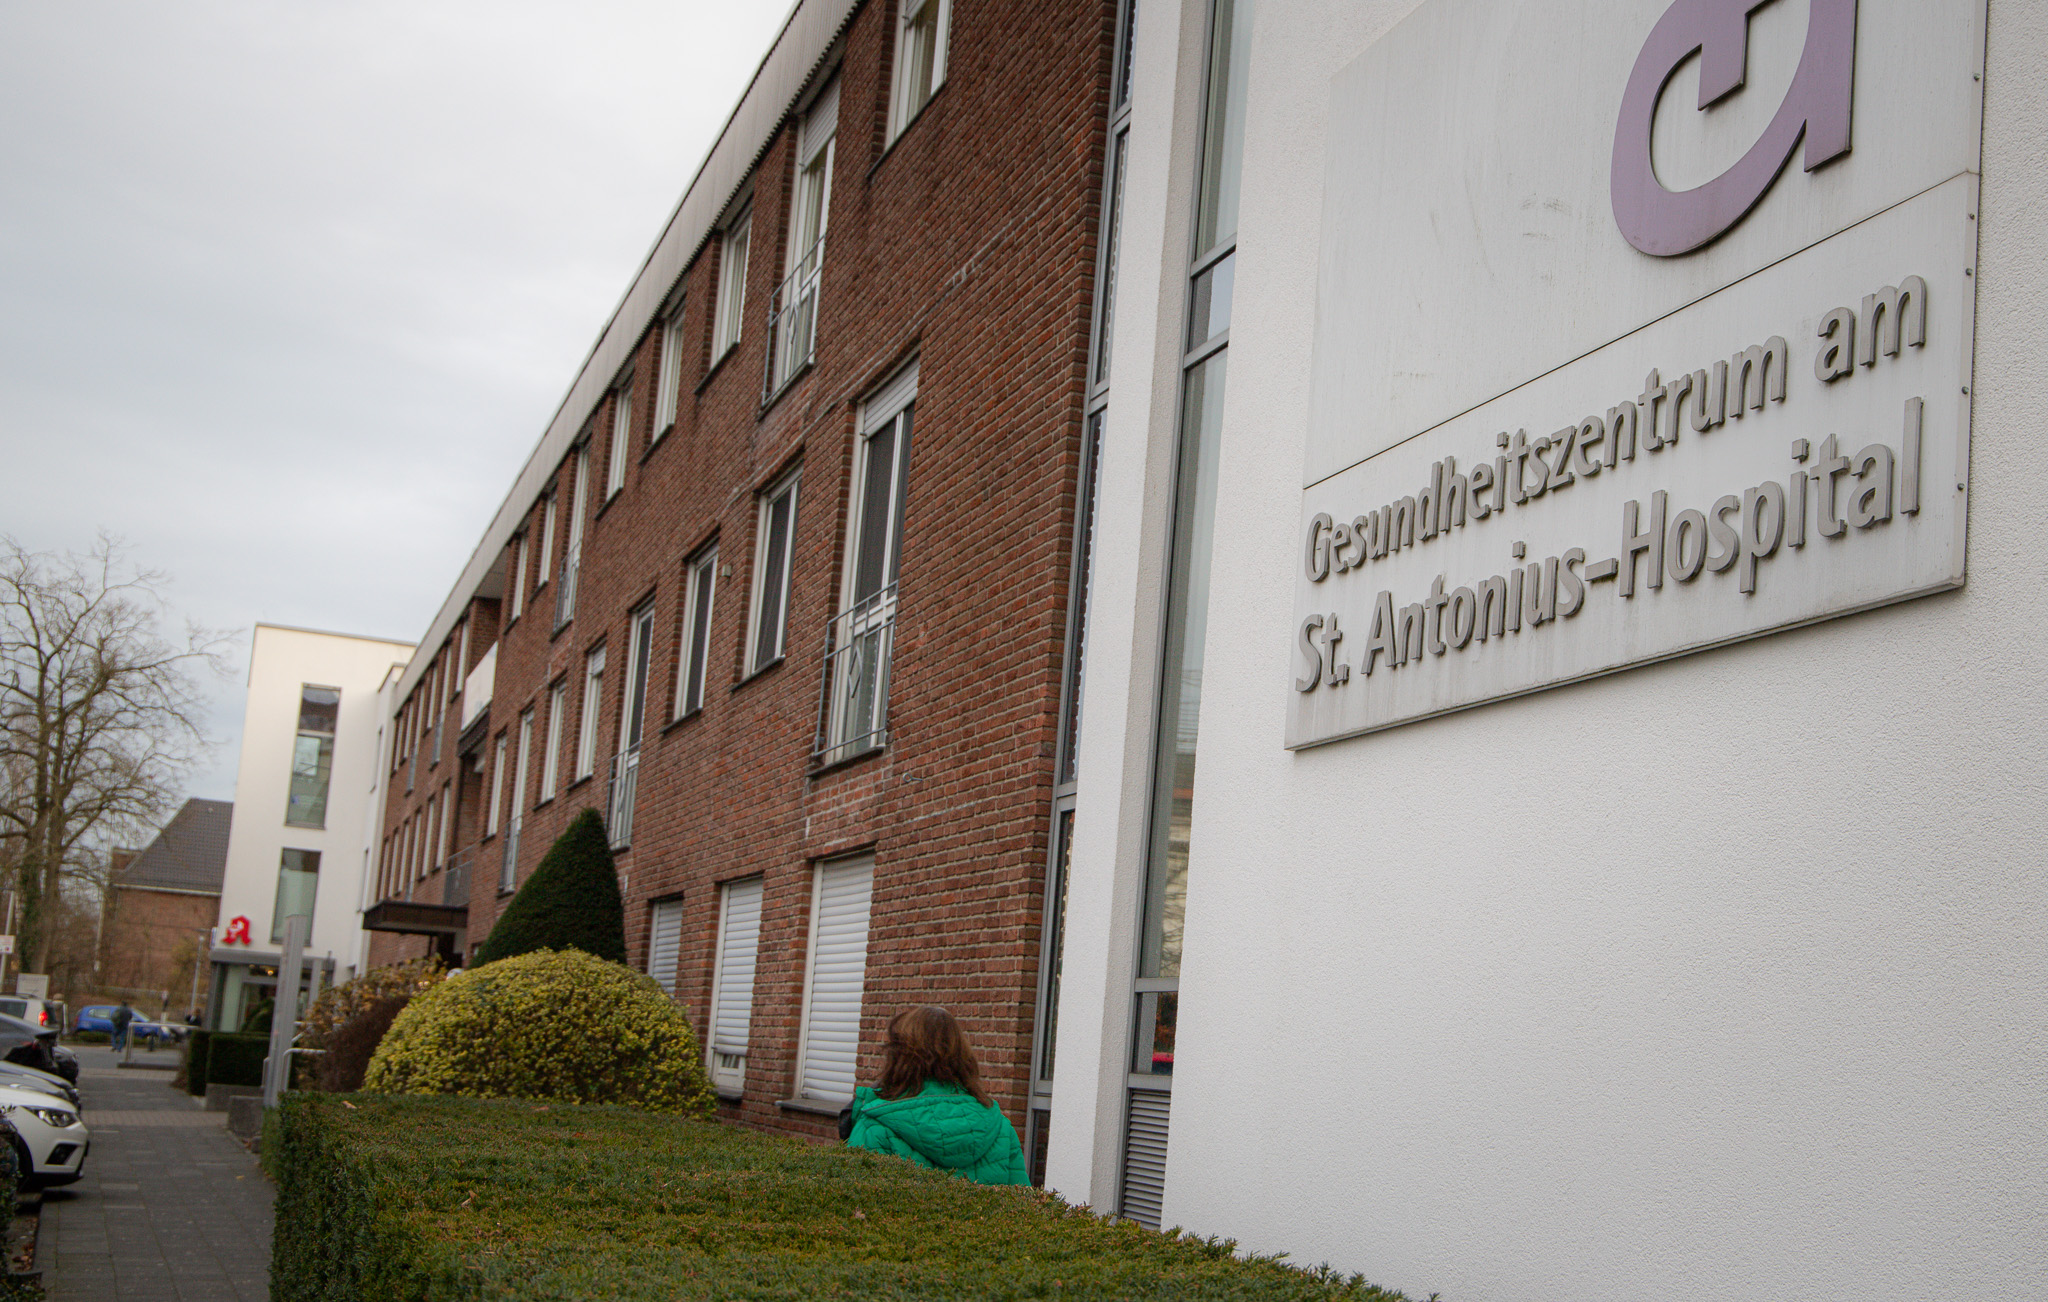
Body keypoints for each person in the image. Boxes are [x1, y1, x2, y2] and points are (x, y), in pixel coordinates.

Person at [841, 1006, 1028, 1186]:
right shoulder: (1002, 1129)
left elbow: (853, 1205)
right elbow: (1022, 1210)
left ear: (898, 1055)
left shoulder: (874, 1128)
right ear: (962, 1056)